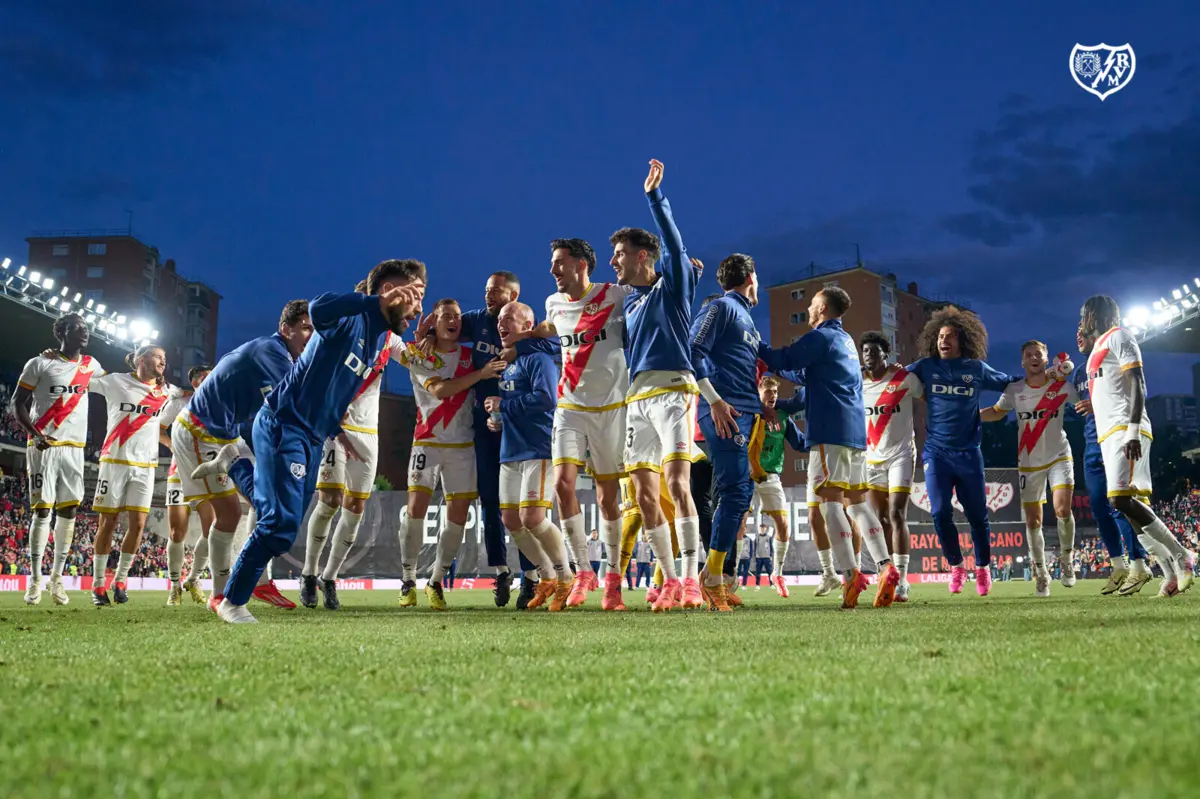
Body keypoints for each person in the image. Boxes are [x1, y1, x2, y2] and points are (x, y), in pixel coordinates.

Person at [216, 260, 426, 623]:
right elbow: (319, 308)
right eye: (413, 296)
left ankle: (235, 465)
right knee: (279, 527)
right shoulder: (350, 319)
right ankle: (232, 601)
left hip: (315, 434)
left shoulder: (378, 337)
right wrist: (370, 301)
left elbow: (334, 389)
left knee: (285, 519)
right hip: (285, 424)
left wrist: (336, 430)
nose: (419, 307)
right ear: (387, 292)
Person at [758, 287, 900, 608]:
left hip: (829, 431)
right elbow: (801, 371)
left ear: (821, 308)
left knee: (829, 504)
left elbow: (789, 357)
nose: (808, 309)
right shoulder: (845, 341)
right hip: (855, 434)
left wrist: (756, 346)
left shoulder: (821, 337)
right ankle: (885, 566)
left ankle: (851, 576)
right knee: (858, 504)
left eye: (810, 305)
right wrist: (776, 365)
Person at [180, 300, 314, 611]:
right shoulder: (273, 353)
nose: (311, 335)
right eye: (306, 328)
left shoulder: (280, 355)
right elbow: (297, 402)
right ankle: (219, 593)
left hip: (227, 435)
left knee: (267, 507)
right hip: (201, 429)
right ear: (286, 329)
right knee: (232, 514)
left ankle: (260, 582)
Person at [612, 159, 703, 612]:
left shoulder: (673, 286)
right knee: (646, 496)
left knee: (676, 483)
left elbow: (674, 243)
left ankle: (691, 579)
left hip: (673, 392)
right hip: (636, 401)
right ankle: (669, 579)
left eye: (620, 254)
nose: (614, 263)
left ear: (642, 256)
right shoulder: (628, 307)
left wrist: (654, 197)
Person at [526, 237, 632, 610]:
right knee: (562, 485)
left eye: (558, 262)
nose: (552, 270)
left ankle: (614, 580)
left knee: (607, 498)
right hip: (570, 407)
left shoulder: (615, 294)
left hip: (612, 408)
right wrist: (523, 333)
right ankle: (583, 570)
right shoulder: (553, 304)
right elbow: (549, 328)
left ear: (581, 264)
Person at [439, 271, 555, 608]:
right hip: (484, 421)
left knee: (525, 508)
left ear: (515, 295)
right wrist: (429, 333)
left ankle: (534, 576)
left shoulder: (529, 338)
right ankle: (502, 570)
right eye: (486, 291)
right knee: (490, 499)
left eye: (497, 292)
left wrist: (522, 345)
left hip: (519, 425)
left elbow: (555, 335)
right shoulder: (477, 321)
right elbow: (447, 325)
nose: (489, 297)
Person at [302, 280, 410, 611]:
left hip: (369, 432)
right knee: (330, 500)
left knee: (355, 509)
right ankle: (309, 573)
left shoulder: (390, 338)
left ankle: (329, 577)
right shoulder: (345, 331)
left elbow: (411, 359)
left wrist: (432, 347)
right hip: (337, 427)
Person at [1079, 295, 1194, 597]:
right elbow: (1109, 389)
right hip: (1107, 433)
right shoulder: (1097, 350)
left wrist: (1132, 431)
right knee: (1133, 509)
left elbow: (1137, 382)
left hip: (1124, 429)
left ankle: (1182, 556)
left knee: (1119, 501)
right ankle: (1169, 574)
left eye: (1084, 315)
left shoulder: (1120, 336)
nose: (1080, 321)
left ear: (1095, 314)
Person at [905, 307, 1018, 597]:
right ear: (934, 340)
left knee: (978, 516)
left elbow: (1010, 383)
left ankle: (982, 569)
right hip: (936, 454)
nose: (945, 341)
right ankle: (956, 567)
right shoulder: (925, 367)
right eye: (941, 336)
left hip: (969, 454)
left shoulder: (976, 369)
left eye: (951, 337)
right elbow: (892, 380)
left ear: (963, 341)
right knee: (940, 512)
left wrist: (1042, 375)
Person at [397, 298, 499, 610]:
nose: (453, 321)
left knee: (458, 514)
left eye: (457, 316)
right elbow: (441, 391)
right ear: (434, 322)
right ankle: (408, 579)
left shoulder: (471, 355)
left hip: (462, 445)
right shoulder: (419, 355)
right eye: (445, 317)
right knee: (416, 509)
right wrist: (479, 376)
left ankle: (436, 581)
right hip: (427, 442)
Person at [484, 302, 571, 611]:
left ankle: (565, 576)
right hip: (511, 450)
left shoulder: (539, 359)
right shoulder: (506, 363)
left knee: (532, 517)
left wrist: (504, 406)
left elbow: (547, 399)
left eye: (509, 318)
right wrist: (498, 418)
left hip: (539, 448)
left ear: (527, 325)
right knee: (510, 519)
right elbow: (511, 404)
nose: (501, 324)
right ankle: (546, 576)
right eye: (500, 320)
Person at [11, 313, 102, 606]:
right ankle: (35, 581)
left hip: (75, 448)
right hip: (44, 446)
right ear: (62, 332)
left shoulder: (91, 365)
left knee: (70, 511)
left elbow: (119, 382)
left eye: (86, 328)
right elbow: (17, 403)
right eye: (78, 328)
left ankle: (57, 580)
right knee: (41, 512)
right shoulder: (39, 363)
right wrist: (35, 434)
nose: (85, 332)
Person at [981, 341, 1079, 597]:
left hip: (1059, 455)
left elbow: (1083, 405)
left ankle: (1067, 561)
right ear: (1022, 362)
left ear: (1047, 359)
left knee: (1062, 509)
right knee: (1034, 521)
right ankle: (1042, 574)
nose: (1034, 358)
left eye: (1039, 354)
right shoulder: (1014, 390)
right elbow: (996, 412)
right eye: (1028, 355)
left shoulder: (1062, 386)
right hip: (1028, 462)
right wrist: (969, 414)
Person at [1072, 326, 1151, 595]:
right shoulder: (1079, 372)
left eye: (1083, 329)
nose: (1078, 335)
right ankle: (1118, 566)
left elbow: (1128, 389)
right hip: (1092, 442)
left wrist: (1097, 405)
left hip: (1114, 436)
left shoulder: (1111, 355)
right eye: (1076, 331)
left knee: (1121, 505)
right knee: (1097, 507)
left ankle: (1139, 564)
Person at [88, 345, 169, 605]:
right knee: (107, 524)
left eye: (164, 359)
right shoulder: (116, 381)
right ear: (141, 359)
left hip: (146, 466)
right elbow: (80, 379)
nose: (162, 362)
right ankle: (98, 585)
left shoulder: (167, 391)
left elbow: (195, 393)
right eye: (158, 357)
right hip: (114, 461)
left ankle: (120, 580)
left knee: (138, 525)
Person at [860, 331, 923, 602]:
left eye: (874, 351)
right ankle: (887, 575)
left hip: (901, 455)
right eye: (865, 352)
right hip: (871, 459)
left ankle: (903, 581)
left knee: (897, 514)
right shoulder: (857, 382)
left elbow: (930, 397)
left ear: (887, 354)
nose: (869, 356)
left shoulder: (904, 379)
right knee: (880, 519)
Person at [161, 365, 215, 606]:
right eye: (202, 378)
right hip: (179, 473)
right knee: (177, 533)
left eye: (210, 376)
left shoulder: (220, 402)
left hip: (207, 472)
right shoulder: (180, 403)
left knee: (211, 529)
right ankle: (174, 587)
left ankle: (193, 578)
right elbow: (157, 428)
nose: (208, 380)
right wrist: (172, 446)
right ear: (194, 383)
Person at [750, 374, 805, 598]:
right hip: (747, 476)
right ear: (759, 392)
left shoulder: (782, 416)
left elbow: (800, 442)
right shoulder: (750, 413)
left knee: (783, 526)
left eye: (775, 392)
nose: (772, 396)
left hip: (771, 476)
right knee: (738, 525)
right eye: (768, 391)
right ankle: (729, 576)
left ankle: (777, 574)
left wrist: (823, 441)